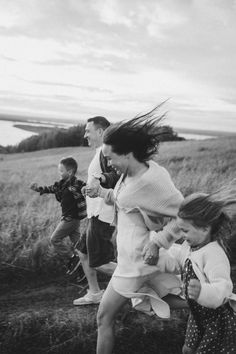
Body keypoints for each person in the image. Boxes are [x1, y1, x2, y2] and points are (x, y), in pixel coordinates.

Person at [87, 106, 185, 354]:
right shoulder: (128, 173)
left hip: (137, 262)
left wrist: (158, 242)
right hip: (134, 258)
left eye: (110, 158)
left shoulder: (152, 179)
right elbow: (125, 201)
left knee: (103, 318)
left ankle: (215, 301)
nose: (108, 163)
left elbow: (185, 215)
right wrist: (101, 193)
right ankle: (217, 301)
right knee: (167, 298)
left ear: (128, 153)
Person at [157, 185, 236, 354]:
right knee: (187, 350)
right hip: (197, 314)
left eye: (185, 230)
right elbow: (178, 263)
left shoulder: (214, 254)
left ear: (205, 229)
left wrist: (203, 291)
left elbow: (223, 288)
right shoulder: (190, 245)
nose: (181, 235)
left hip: (217, 319)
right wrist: (158, 259)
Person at [73, 116, 119, 306]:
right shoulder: (99, 152)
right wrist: (87, 187)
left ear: (100, 132)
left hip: (103, 214)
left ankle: (141, 278)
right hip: (95, 214)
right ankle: (95, 293)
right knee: (82, 252)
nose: (85, 135)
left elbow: (116, 176)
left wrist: (99, 181)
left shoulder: (107, 152)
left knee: (100, 261)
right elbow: (99, 179)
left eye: (88, 131)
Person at [30, 156, 86, 275]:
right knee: (79, 245)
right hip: (71, 220)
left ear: (70, 172)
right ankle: (85, 267)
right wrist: (38, 189)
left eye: (61, 171)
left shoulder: (77, 184)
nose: (59, 173)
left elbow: (87, 188)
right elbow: (50, 188)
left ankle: (73, 259)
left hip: (70, 219)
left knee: (55, 239)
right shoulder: (61, 184)